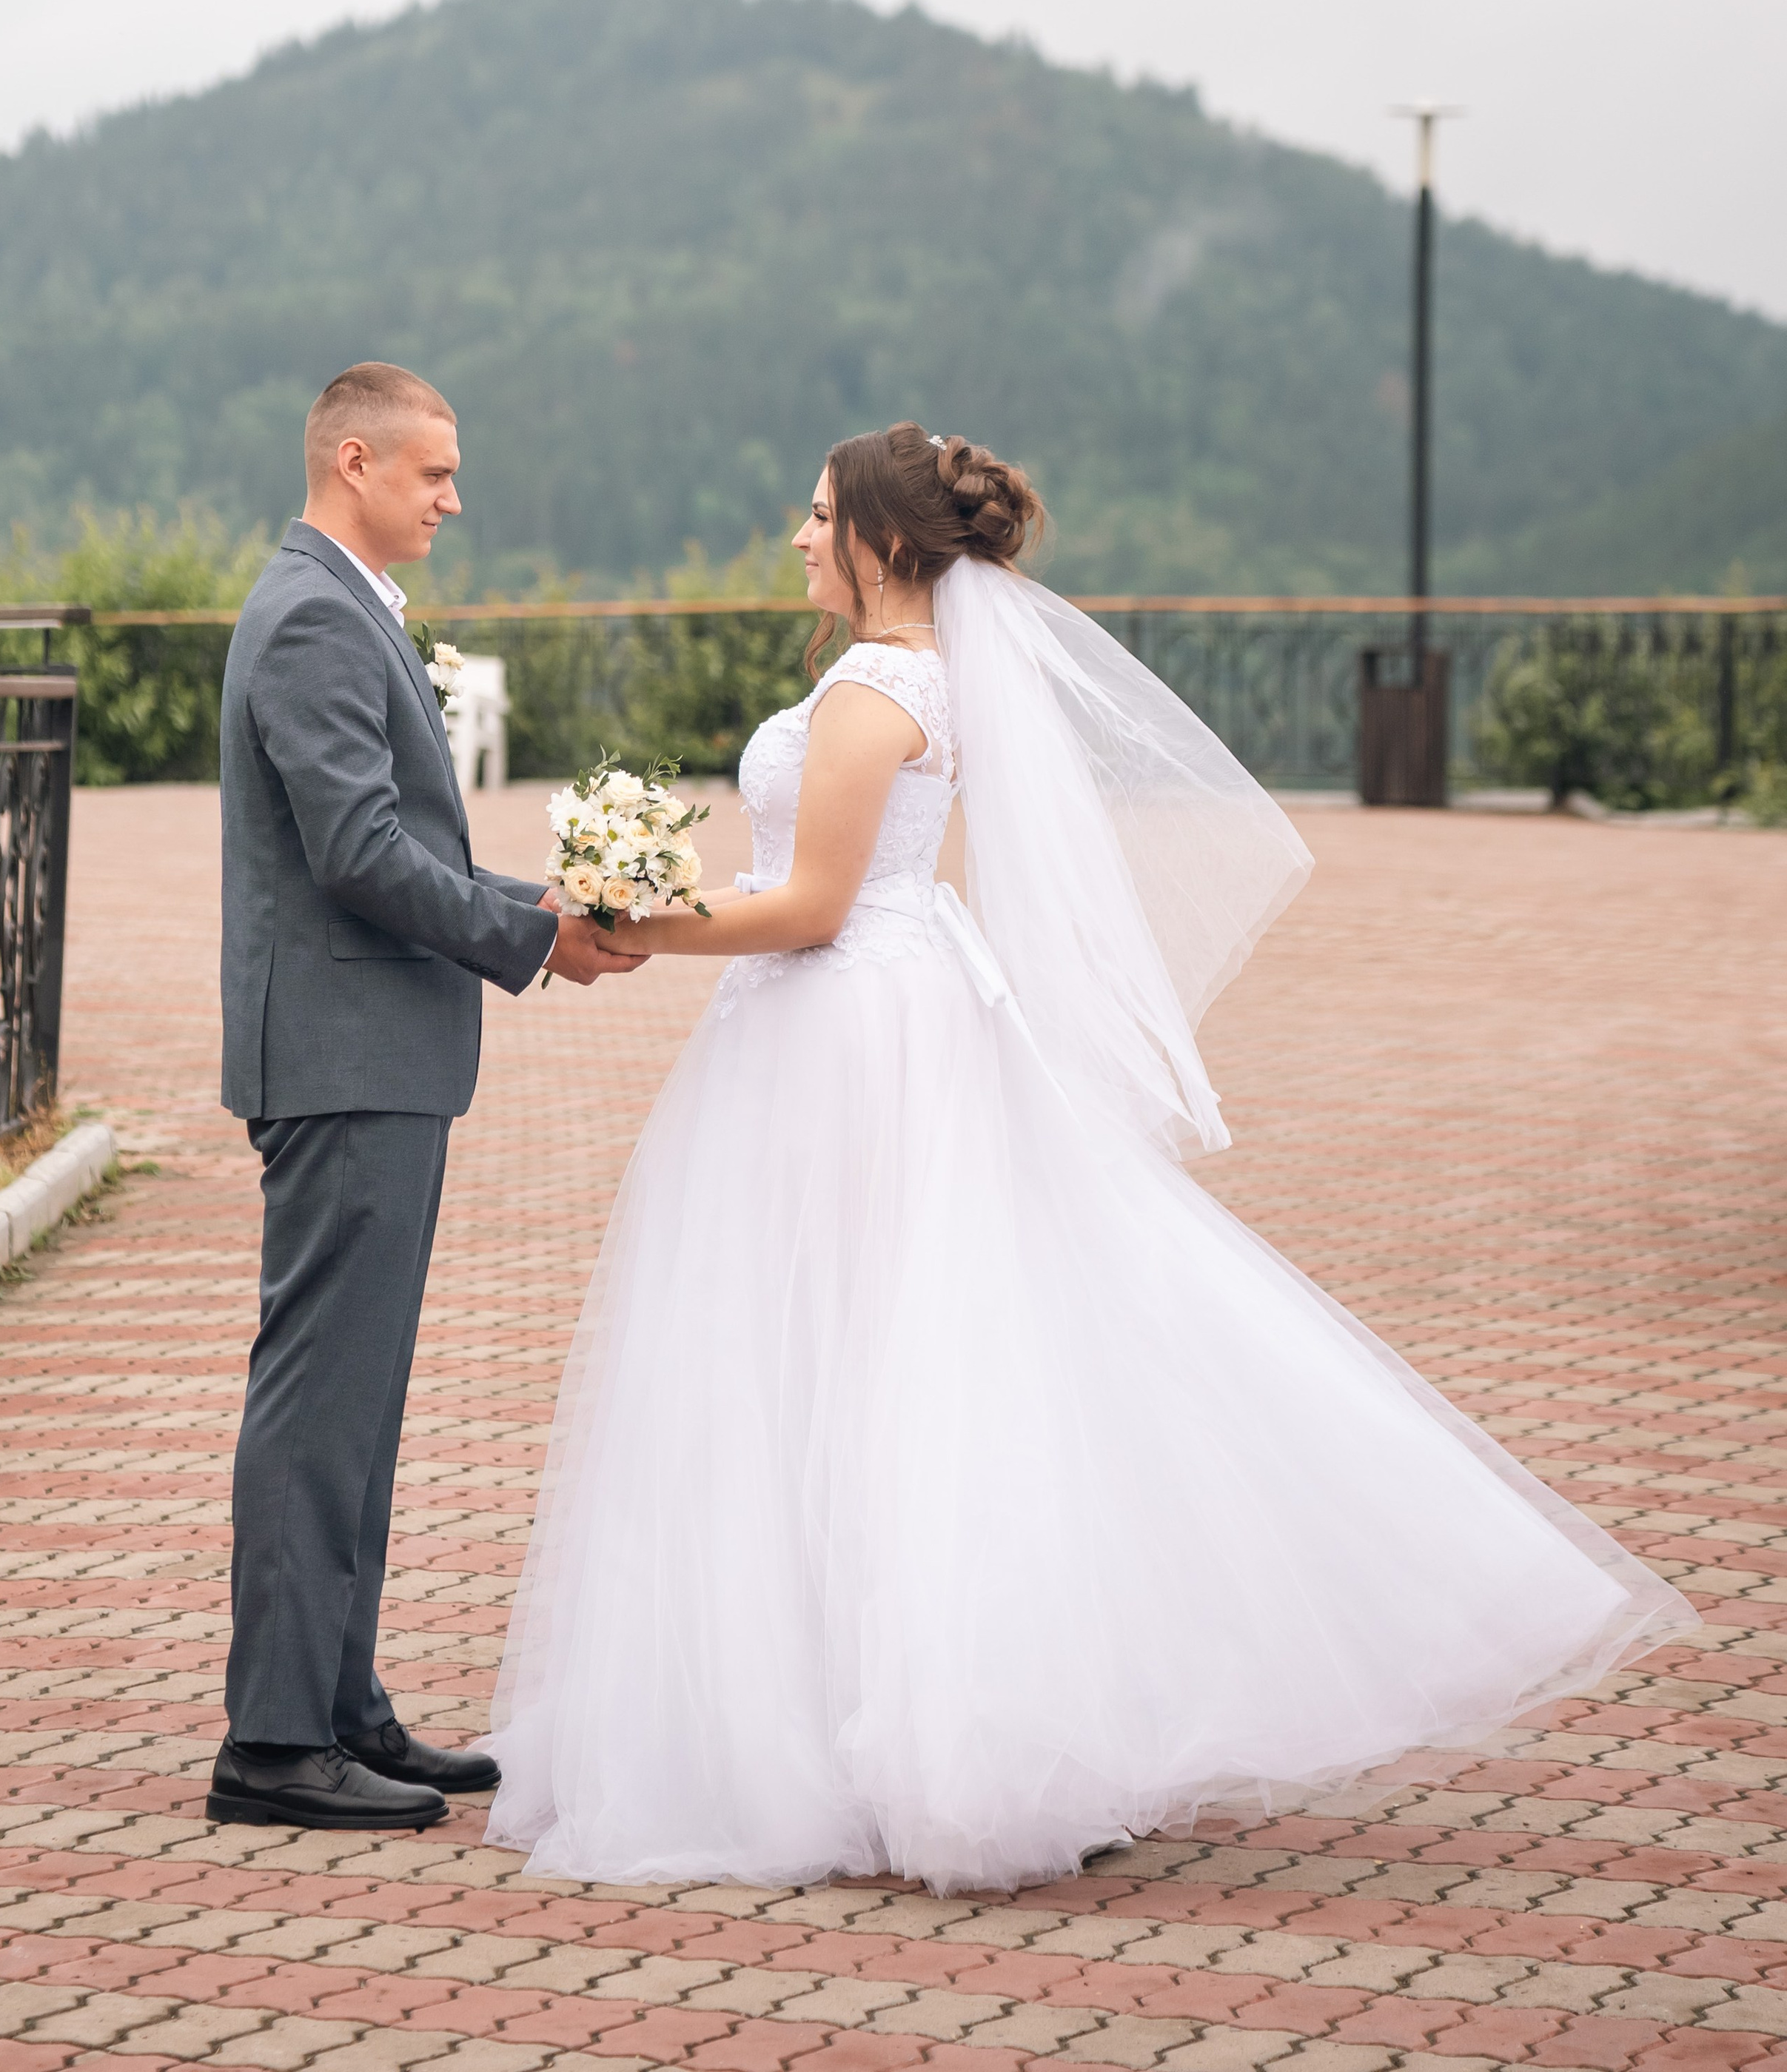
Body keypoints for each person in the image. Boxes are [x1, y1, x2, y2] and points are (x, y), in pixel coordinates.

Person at [480, 419, 1693, 1894]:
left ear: (880, 537)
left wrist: (632, 920)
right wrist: (655, 896)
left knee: (850, 1357)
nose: (795, 537)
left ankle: (894, 1728)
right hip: (859, 1011)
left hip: (848, 1024)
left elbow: (810, 906)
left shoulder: (876, 693)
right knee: (874, 1355)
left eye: (815, 516)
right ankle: (881, 1712)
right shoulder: (897, 680)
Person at [209, 361, 642, 1833]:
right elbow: (355, 850)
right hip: (342, 1059)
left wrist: (545, 898)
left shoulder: (337, 605)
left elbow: (385, 841)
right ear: (354, 460)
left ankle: (340, 1704)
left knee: (359, 1401)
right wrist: (533, 936)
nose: (454, 498)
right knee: (320, 1399)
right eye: (434, 473)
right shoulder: (317, 615)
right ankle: (273, 1744)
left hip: (370, 1056)